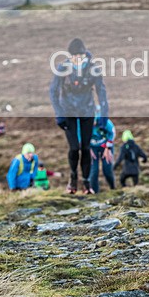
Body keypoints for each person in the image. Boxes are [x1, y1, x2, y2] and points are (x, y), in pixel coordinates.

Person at [49, 38, 109, 195]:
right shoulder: (62, 68)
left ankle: (87, 183)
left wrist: (103, 116)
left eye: (80, 56)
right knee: (74, 148)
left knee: (86, 148)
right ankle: (73, 178)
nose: (77, 59)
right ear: (70, 56)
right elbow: (53, 92)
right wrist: (59, 114)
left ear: (85, 55)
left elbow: (101, 92)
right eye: (74, 57)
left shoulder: (93, 69)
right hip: (68, 112)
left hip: (87, 112)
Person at [89, 113, 116, 193]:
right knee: (94, 171)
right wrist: (87, 149)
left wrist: (108, 148)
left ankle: (112, 188)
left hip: (106, 146)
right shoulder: (83, 122)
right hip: (92, 147)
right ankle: (95, 192)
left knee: (107, 168)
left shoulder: (104, 121)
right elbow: (79, 136)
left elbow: (112, 133)